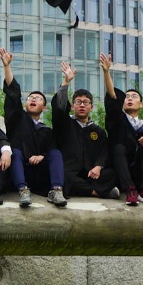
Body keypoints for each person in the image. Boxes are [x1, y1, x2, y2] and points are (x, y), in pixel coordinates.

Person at [0, 48, 67, 208]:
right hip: (19, 171)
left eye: (38, 99)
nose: (33, 100)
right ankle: (23, 190)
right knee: (15, 152)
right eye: (30, 98)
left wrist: (42, 156)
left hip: (39, 175)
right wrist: (7, 66)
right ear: (25, 104)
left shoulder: (47, 130)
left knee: (56, 153)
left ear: (44, 108)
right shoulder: (17, 118)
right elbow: (13, 95)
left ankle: (56, 191)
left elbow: (52, 150)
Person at [99, 53, 143, 206]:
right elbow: (112, 96)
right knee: (119, 147)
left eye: (134, 96)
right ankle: (130, 191)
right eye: (127, 97)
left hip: (141, 173)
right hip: (120, 174)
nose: (130, 98)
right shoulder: (117, 119)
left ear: (141, 104)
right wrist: (106, 72)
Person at [51, 61, 115, 200]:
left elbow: (104, 152)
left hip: (91, 172)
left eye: (85, 102)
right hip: (70, 170)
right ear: (72, 106)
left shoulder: (98, 131)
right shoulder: (66, 123)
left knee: (111, 173)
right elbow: (59, 108)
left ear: (91, 107)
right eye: (78, 102)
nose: (81, 105)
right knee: (63, 176)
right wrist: (66, 82)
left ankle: (86, 189)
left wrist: (98, 166)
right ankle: (96, 192)